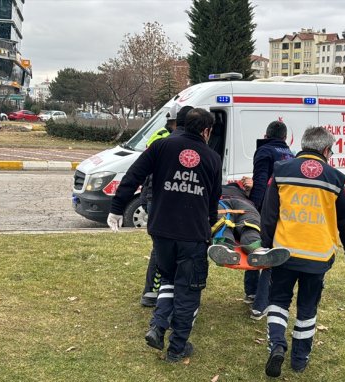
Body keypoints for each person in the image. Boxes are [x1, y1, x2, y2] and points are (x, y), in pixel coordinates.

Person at [107, 108, 222, 363]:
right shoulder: (212, 158)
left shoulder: (160, 147)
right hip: (193, 234)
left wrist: (117, 209)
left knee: (168, 278)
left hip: (162, 230)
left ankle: (158, 327)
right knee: (189, 290)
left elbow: (133, 175)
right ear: (206, 131)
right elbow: (213, 200)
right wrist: (210, 224)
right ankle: (177, 347)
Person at [260, 126, 345, 377]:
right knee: (307, 308)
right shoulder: (335, 178)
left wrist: (264, 246)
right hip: (318, 256)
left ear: (303, 145)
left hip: (284, 252)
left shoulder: (281, 171)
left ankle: (277, 344)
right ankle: (299, 358)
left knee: (278, 301)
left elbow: (269, 213)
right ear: (326, 150)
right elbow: (344, 219)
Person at [138, 105, 194, 308]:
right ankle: (154, 291)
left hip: (157, 196)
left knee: (164, 247)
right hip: (159, 196)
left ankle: (161, 291)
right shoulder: (165, 139)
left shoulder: (163, 138)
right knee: (161, 248)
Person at [245, 121, 295, 319]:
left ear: (266, 135)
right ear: (284, 138)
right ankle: (254, 294)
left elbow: (260, 182)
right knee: (268, 249)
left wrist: (253, 206)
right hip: (284, 210)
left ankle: (258, 302)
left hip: (265, 208)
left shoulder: (264, 151)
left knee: (258, 248)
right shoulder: (291, 154)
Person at [207, 177, 290, 268]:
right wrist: (250, 189)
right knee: (250, 228)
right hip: (245, 205)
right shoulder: (243, 192)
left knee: (223, 227)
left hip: (222, 203)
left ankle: (223, 247)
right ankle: (259, 251)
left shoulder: (216, 189)